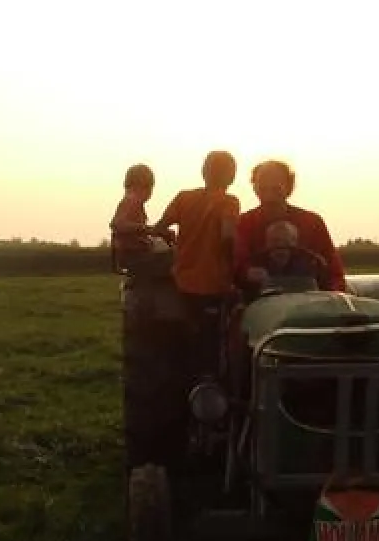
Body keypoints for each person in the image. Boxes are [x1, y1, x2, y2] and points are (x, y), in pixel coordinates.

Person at [150, 150, 241, 377]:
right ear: (231, 177)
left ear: (204, 172)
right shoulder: (229, 202)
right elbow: (228, 237)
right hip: (213, 284)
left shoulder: (184, 198)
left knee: (186, 336)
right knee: (215, 338)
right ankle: (213, 383)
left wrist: (173, 239)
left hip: (182, 280)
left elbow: (159, 228)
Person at [233, 160, 347, 293]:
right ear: (255, 189)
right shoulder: (243, 223)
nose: (269, 196)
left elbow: (333, 270)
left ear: (289, 188)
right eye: (263, 189)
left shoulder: (312, 222)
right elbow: (234, 265)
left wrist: (335, 294)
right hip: (257, 302)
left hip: (306, 300)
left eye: (276, 189)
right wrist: (246, 272)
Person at [109, 163, 159, 273]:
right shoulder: (132, 200)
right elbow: (117, 224)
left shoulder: (133, 202)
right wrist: (145, 228)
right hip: (135, 254)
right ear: (142, 186)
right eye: (149, 187)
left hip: (133, 253)